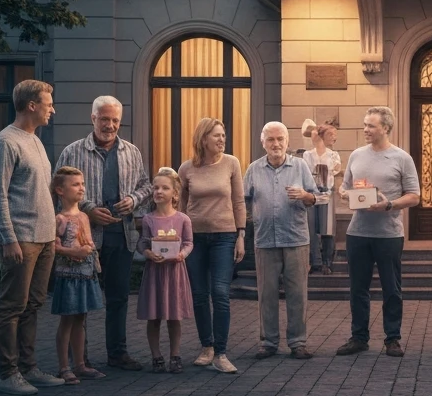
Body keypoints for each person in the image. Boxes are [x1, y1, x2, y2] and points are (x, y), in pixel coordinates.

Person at [55, 95, 153, 370]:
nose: (109, 125)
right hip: (82, 239)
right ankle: (79, 357)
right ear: (93, 118)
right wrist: (88, 209)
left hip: (121, 235)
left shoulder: (131, 152)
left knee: (119, 296)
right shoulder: (73, 152)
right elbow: (58, 190)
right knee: (80, 299)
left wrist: (133, 200)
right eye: (105, 119)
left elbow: (146, 186)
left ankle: (117, 354)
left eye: (115, 120)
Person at [0, 78, 65, 395]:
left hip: (44, 239)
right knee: (12, 307)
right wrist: (7, 237)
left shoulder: (35, 141)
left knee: (32, 306)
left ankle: (29, 368)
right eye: (48, 104)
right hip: (21, 238)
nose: (52, 110)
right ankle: (8, 374)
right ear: (31, 105)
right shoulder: (5, 143)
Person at [335, 107, 420, 358]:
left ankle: (392, 339)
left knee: (391, 288)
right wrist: (343, 193)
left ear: (385, 128)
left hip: (389, 234)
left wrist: (389, 205)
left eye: (371, 125)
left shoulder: (401, 158)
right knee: (357, 288)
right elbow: (345, 186)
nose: (365, 129)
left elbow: (414, 197)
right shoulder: (356, 155)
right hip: (358, 232)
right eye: (365, 124)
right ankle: (358, 337)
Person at [243, 121, 319, 360]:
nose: (276, 144)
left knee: (297, 293)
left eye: (280, 139)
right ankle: (268, 342)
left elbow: (315, 197)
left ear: (287, 141)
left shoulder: (300, 166)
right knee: (267, 293)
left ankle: (298, 342)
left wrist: (305, 195)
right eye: (271, 140)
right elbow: (243, 201)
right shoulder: (253, 169)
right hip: (265, 239)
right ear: (262, 142)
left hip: (296, 238)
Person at [178, 117, 246, 374]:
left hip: (224, 236)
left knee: (220, 293)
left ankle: (221, 352)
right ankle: (206, 347)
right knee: (198, 294)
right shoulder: (187, 168)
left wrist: (241, 235)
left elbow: (239, 202)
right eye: (216, 135)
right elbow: (181, 207)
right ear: (203, 138)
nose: (222, 139)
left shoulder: (231, 163)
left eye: (223, 135)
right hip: (195, 238)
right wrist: (179, 238)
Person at [136, 168, 194, 374]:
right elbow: (143, 242)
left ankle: (175, 355)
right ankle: (156, 356)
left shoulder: (183, 219)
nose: (159, 191)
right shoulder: (148, 219)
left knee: (173, 316)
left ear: (175, 194)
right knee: (154, 316)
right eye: (156, 188)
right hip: (155, 273)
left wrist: (182, 255)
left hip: (174, 272)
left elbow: (188, 242)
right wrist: (148, 253)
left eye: (165, 188)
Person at [51, 167, 105, 384]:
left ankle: (80, 364)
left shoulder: (84, 215)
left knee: (81, 318)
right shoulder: (59, 219)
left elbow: (89, 242)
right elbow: (54, 248)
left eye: (82, 184)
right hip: (68, 276)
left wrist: (94, 262)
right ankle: (64, 367)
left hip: (85, 275)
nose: (81, 188)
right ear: (60, 190)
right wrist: (74, 252)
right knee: (67, 320)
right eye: (75, 184)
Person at [303, 119, 341, 275]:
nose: (334, 138)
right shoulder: (307, 154)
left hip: (327, 196)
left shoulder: (334, 155)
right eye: (331, 134)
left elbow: (335, 171)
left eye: (335, 135)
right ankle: (313, 261)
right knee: (310, 229)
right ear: (321, 136)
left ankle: (327, 262)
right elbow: (306, 173)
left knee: (327, 230)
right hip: (311, 196)